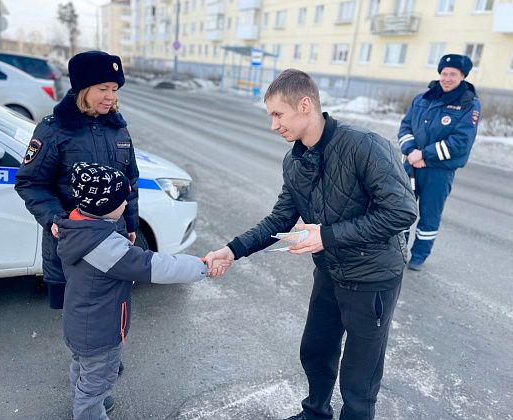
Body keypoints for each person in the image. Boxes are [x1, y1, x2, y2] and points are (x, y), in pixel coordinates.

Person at [205, 69, 417, 420]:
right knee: (316, 351)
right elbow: (279, 219)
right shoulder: (295, 160)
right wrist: (232, 250)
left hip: (372, 278)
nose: (273, 126)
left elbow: (401, 211)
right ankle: (315, 413)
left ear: (305, 105)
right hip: (330, 273)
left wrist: (326, 236)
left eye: (278, 114)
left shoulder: (364, 146)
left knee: (359, 378)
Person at [56, 162, 207, 419]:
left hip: (79, 322)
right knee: (96, 386)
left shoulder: (76, 230)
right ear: (104, 207)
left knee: (82, 368)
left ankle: (85, 400)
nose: (126, 205)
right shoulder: (105, 247)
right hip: (101, 333)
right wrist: (200, 266)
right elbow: (156, 266)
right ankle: (89, 410)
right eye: (121, 201)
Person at [15, 51, 139, 309]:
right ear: (82, 89)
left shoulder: (119, 129)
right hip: (71, 245)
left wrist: (130, 225)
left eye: (115, 89)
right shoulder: (54, 130)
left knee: (109, 312)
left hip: (112, 242)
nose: (111, 97)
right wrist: (55, 219)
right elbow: (30, 183)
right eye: (103, 88)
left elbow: (130, 180)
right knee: (76, 320)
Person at [398, 54, 481, 271]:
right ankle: (397, 251)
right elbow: (405, 127)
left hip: (438, 171)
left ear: (462, 76)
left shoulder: (468, 104)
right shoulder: (423, 98)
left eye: (453, 74)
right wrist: (411, 151)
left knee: (429, 214)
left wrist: (424, 155)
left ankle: (419, 256)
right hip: (411, 164)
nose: (447, 78)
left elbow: (460, 142)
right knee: (400, 209)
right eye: (444, 73)